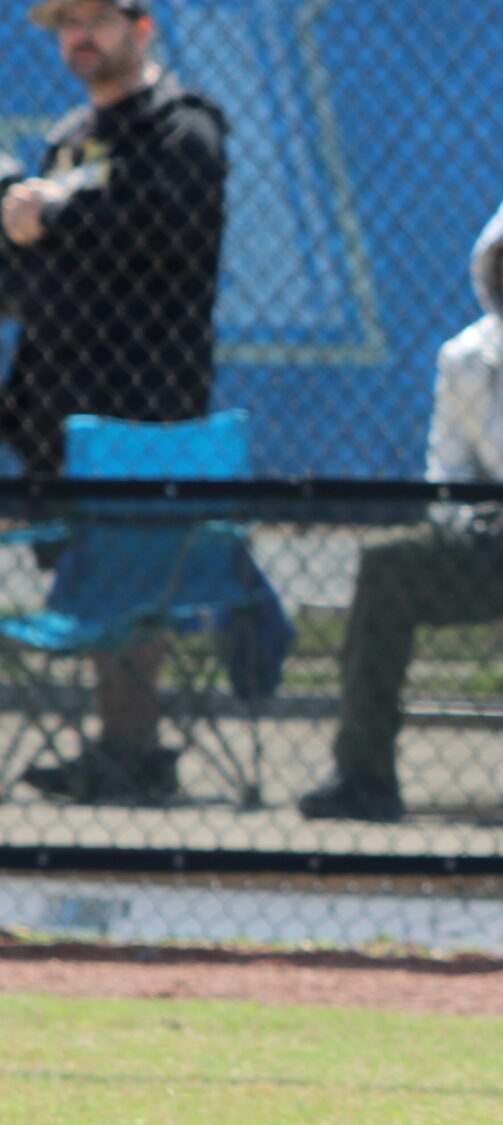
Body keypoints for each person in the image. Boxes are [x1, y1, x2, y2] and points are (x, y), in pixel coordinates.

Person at [298, 185, 503, 821]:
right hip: (494, 549)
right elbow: (445, 475)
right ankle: (364, 777)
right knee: (387, 566)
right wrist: (474, 525)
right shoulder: (464, 358)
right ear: (494, 270)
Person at [0, 0, 227, 803]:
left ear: (142, 27)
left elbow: (171, 224)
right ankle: (122, 749)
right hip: (56, 408)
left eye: (94, 17)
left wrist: (56, 212)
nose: (78, 36)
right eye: (65, 24)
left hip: (145, 406)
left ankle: (132, 754)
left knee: (133, 579)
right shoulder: (67, 139)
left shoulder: (184, 126)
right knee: (91, 578)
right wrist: (17, 227)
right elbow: (41, 271)